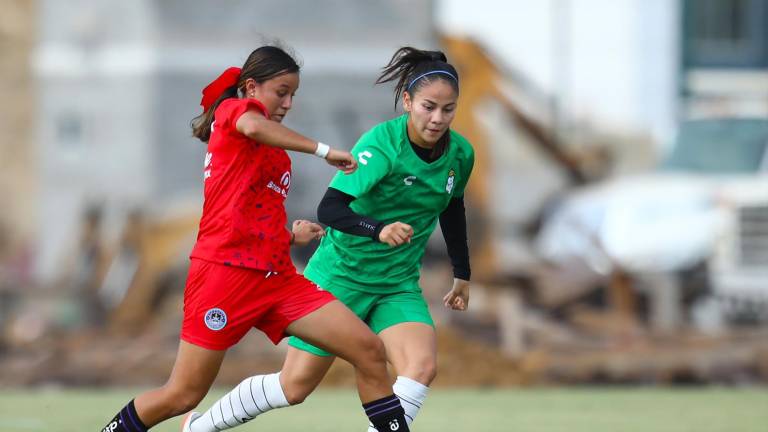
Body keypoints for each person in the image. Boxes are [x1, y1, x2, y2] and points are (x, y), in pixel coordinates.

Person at [99, 45, 410, 432]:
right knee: (182, 395)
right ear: (250, 87)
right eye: (281, 92)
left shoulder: (270, 147)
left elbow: (246, 210)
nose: (289, 102)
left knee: (368, 350)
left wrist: (288, 234)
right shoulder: (235, 112)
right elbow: (252, 126)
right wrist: (324, 150)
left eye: (293, 94)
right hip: (224, 278)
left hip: (277, 278)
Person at [185, 46, 474, 432]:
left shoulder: (461, 154)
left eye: (448, 109)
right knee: (294, 387)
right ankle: (199, 427)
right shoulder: (381, 146)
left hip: (396, 284)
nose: (438, 118)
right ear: (407, 101)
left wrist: (462, 272)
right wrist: (378, 229)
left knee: (420, 368)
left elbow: (452, 208)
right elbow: (331, 209)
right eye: (428, 106)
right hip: (340, 276)